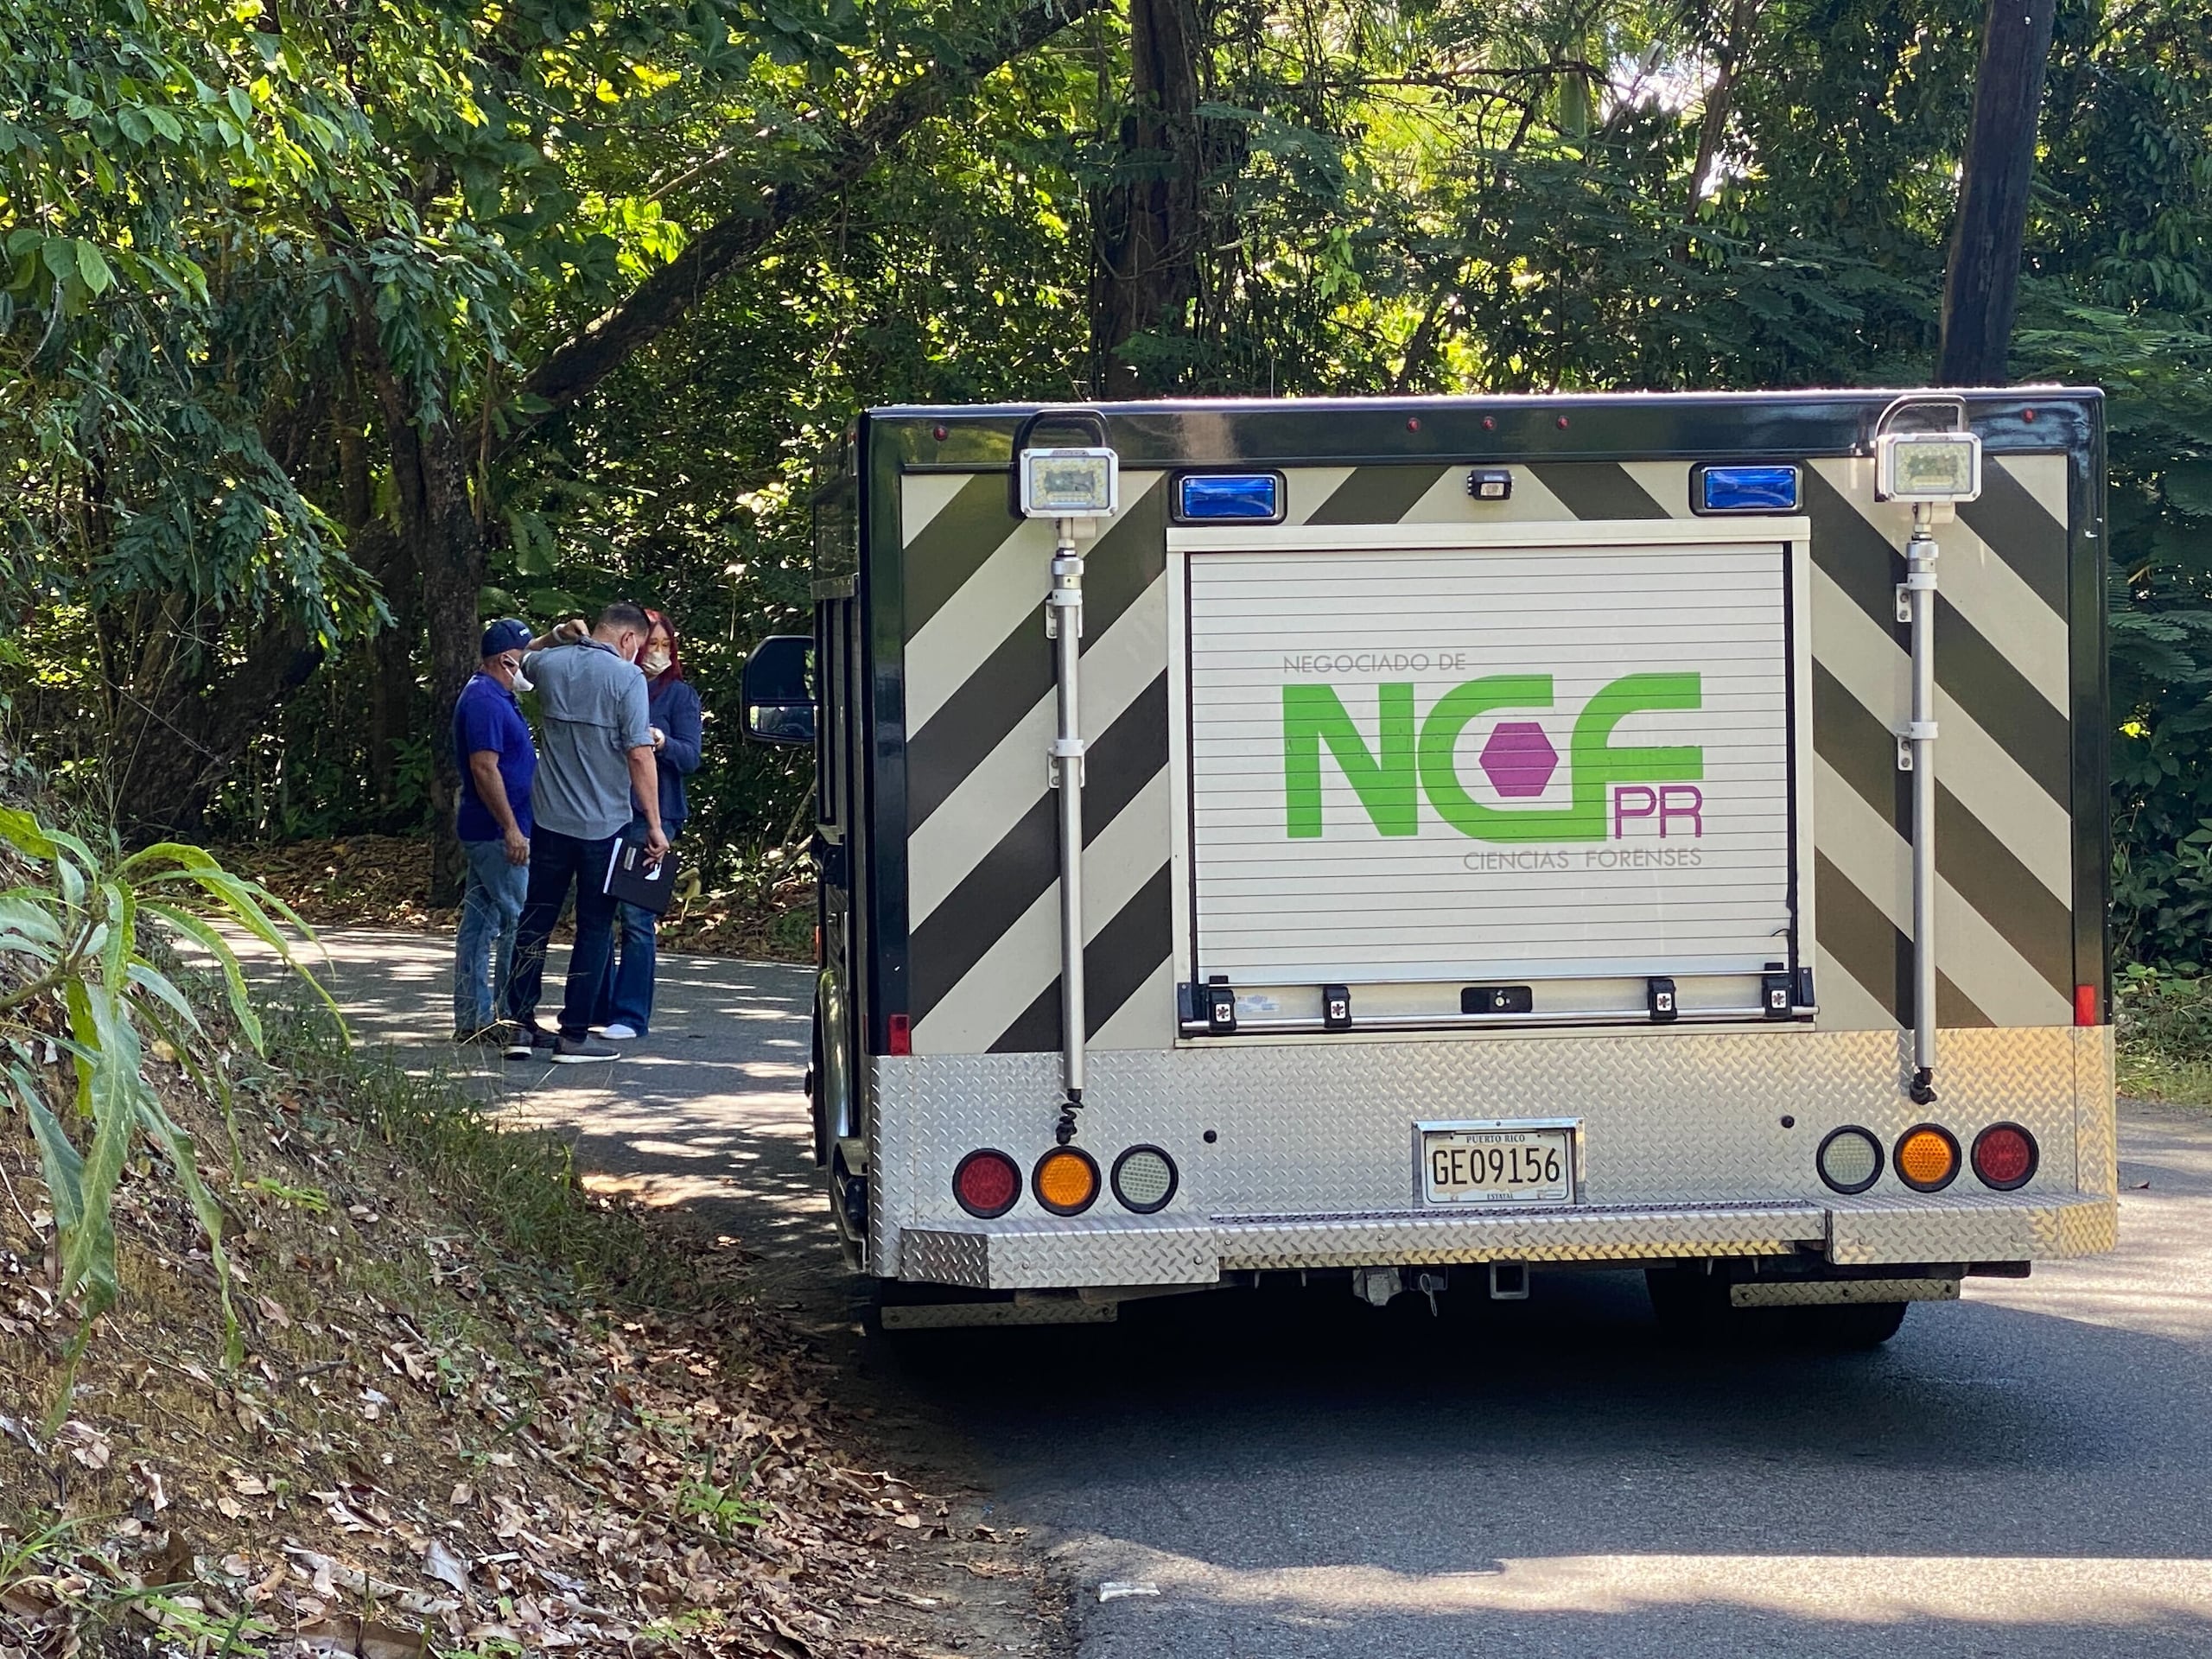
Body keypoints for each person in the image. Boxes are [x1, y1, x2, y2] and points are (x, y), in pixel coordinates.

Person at [501, 603, 669, 1064]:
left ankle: (516, 1025)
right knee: (594, 927)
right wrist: (653, 824)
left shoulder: (553, 663)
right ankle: (573, 1035)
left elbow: (517, 657)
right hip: (604, 826)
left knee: (534, 919)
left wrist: (555, 633)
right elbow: (638, 754)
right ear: (629, 641)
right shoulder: (626, 678)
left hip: (550, 820)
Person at [593, 607, 702, 1039]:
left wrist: (661, 741)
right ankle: (595, 1007)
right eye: (649, 644)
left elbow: (691, 756)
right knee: (598, 913)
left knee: (637, 918)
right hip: (606, 809)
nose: (655, 653)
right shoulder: (616, 682)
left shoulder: (680, 695)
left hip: (655, 816)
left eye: (664, 646)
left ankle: (630, 1016)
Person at [450, 619, 537, 1042]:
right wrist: (511, 829)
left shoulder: (495, 692)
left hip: (490, 829)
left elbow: (527, 647)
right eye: (523, 659)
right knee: (517, 919)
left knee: (479, 924)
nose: (528, 666)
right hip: (497, 832)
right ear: (506, 660)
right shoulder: (485, 700)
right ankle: (509, 1014)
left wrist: (560, 636)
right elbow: (484, 768)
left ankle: (472, 1018)